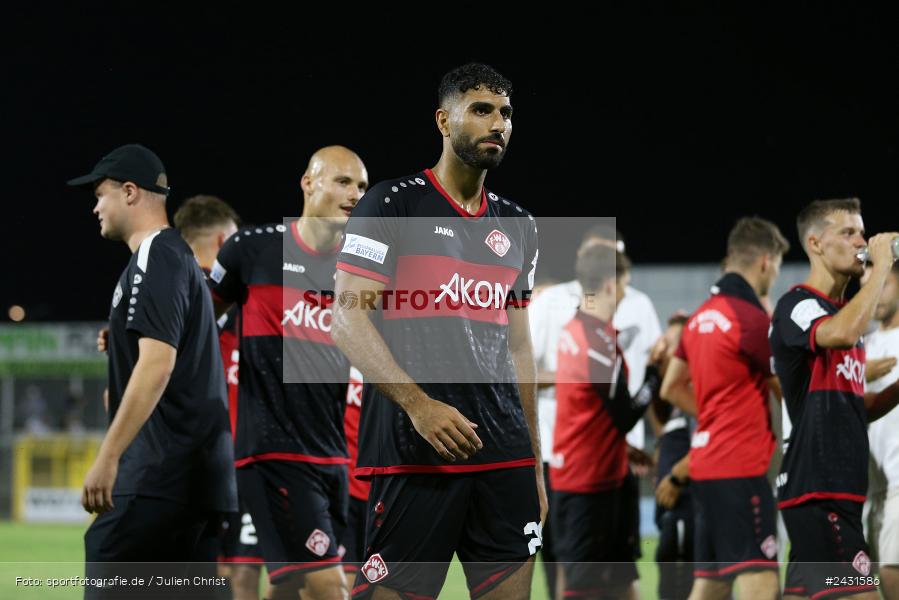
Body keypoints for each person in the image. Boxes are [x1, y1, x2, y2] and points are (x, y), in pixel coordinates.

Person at [331, 62, 542, 600]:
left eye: (505, 113)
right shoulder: (392, 203)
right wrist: (419, 405)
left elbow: (519, 346)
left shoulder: (519, 224)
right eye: (481, 110)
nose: (498, 123)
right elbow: (347, 318)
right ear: (444, 122)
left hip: (505, 457)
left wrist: (535, 464)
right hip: (414, 452)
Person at [69, 143, 237, 598]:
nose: (95, 206)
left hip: (157, 478)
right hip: (198, 483)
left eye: (100, 194)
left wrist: (108, 457)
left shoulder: (155, 255)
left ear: (129, 192)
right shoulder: (176, 259)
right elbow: (153, 374)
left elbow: (158, 365)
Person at [210, 145, 368, 600]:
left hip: (334, 457)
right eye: (343, 182)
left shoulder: (358, 271)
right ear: (308, 182)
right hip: (274, 452)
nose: (355, 194)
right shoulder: (252, 251)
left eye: (360, 185)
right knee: (329, 589)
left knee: (291, 587)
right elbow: (200, 322)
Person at [770, 198, 899, 600]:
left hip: (835, 494)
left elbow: (856, 408)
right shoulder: (798, 305)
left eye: (861, 231)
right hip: (818, 493)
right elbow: (838, 333)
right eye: (847, 232)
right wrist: (880, 269)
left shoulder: (846, 316)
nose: (861, 240)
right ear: (815, 243)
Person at [528, 224, 662, 596]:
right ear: (608, 284)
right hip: (588, 481)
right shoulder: (596, 340)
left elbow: (598, 411)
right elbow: (623, 414)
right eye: (622, 284)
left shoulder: (577, 328)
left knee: (617, 576)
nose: (624, 293)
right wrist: (654, 375)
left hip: (601, 470)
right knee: (581, 582)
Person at [661, 216, 789, 600]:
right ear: (765, 261)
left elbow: (671, 387)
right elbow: (786, 386)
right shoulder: (750, 319)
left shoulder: (700, 318)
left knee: (712, 585)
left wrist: (715, 419)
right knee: (761, 579)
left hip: (706, 467)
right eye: (777, 267)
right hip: (741, 469)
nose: (775, 277)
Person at [174, 195, 266, 600]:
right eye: (234, 240)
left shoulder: (164, 299)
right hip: (236, 460)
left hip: (188, 467)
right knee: (244, 574)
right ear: (219, 240)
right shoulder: (222, 296)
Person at [651, 313, 694, 600]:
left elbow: (711, 438)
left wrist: (678, 476)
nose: (665, 349)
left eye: (673, 343)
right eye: (664, 342)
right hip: (671, 508)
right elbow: (661, 429)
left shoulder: (700, 389)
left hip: (690, 505)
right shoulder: (671, 399)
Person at [863, 261, 899, 600]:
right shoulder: (861, 345)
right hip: (870, 490)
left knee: (890, 573)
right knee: (862, 583)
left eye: (883, 284)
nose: (875, 294)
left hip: (898, 484)